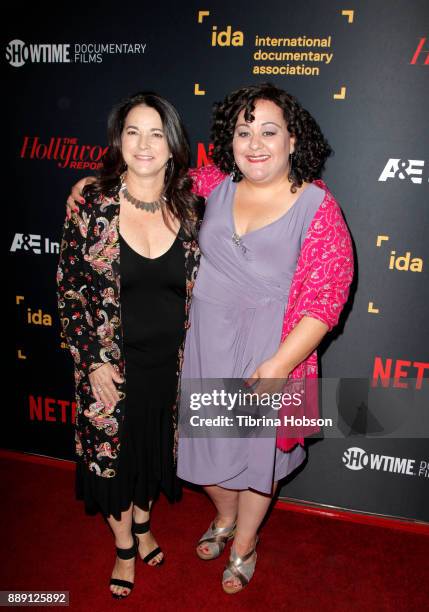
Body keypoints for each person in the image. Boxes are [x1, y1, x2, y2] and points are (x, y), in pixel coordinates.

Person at [66, 83, 354, 595]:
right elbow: (146, 179)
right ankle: (223, 520)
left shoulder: (319, 206)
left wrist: (281, 364)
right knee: (207, 460)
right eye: (244, 132)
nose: (256, 143)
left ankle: (244, 543)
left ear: (293, 140)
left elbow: (327, 297)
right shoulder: (210, 182)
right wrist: (95, 181)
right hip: (204, 345)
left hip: (277, 354)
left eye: (270, 131)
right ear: (231, 140)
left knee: (260, 461)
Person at [57, 91, 203, 598]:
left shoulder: (191, 208)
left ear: (172, 144)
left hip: (170, 368)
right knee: (114, 463)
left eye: (156, 132)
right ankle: (124, 545)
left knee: (152, 453)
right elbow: (69, 289)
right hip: (111, 371)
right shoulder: (92, 206)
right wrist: (91, 360)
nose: (144, 143)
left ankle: (143, 524)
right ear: (119, 140)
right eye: (133, 131)